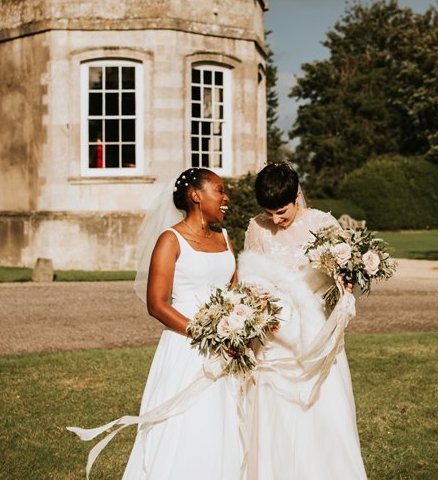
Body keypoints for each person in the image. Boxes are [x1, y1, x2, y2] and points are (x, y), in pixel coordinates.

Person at [68, 168, 242, 479]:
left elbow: (235, 292)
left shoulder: (225, 238)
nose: (226, 197)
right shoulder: (170, 240)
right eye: (219, 190)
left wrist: (238, 327)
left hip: (228, 349)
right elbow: (157, 304)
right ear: (196, 196)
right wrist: (206, 334)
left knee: (226, 423)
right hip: (186, 346)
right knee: (186, 427)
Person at [238, 162, 368, 479]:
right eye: (269, 213)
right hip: (275, 335)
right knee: (276, 414)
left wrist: (345, 282)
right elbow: (251, 280)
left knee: (324, 412)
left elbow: (341, 277)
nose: (276, 220)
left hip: (315, 332)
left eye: (281, 211)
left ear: (297, 195)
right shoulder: (257, 229)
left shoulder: (324, 225)